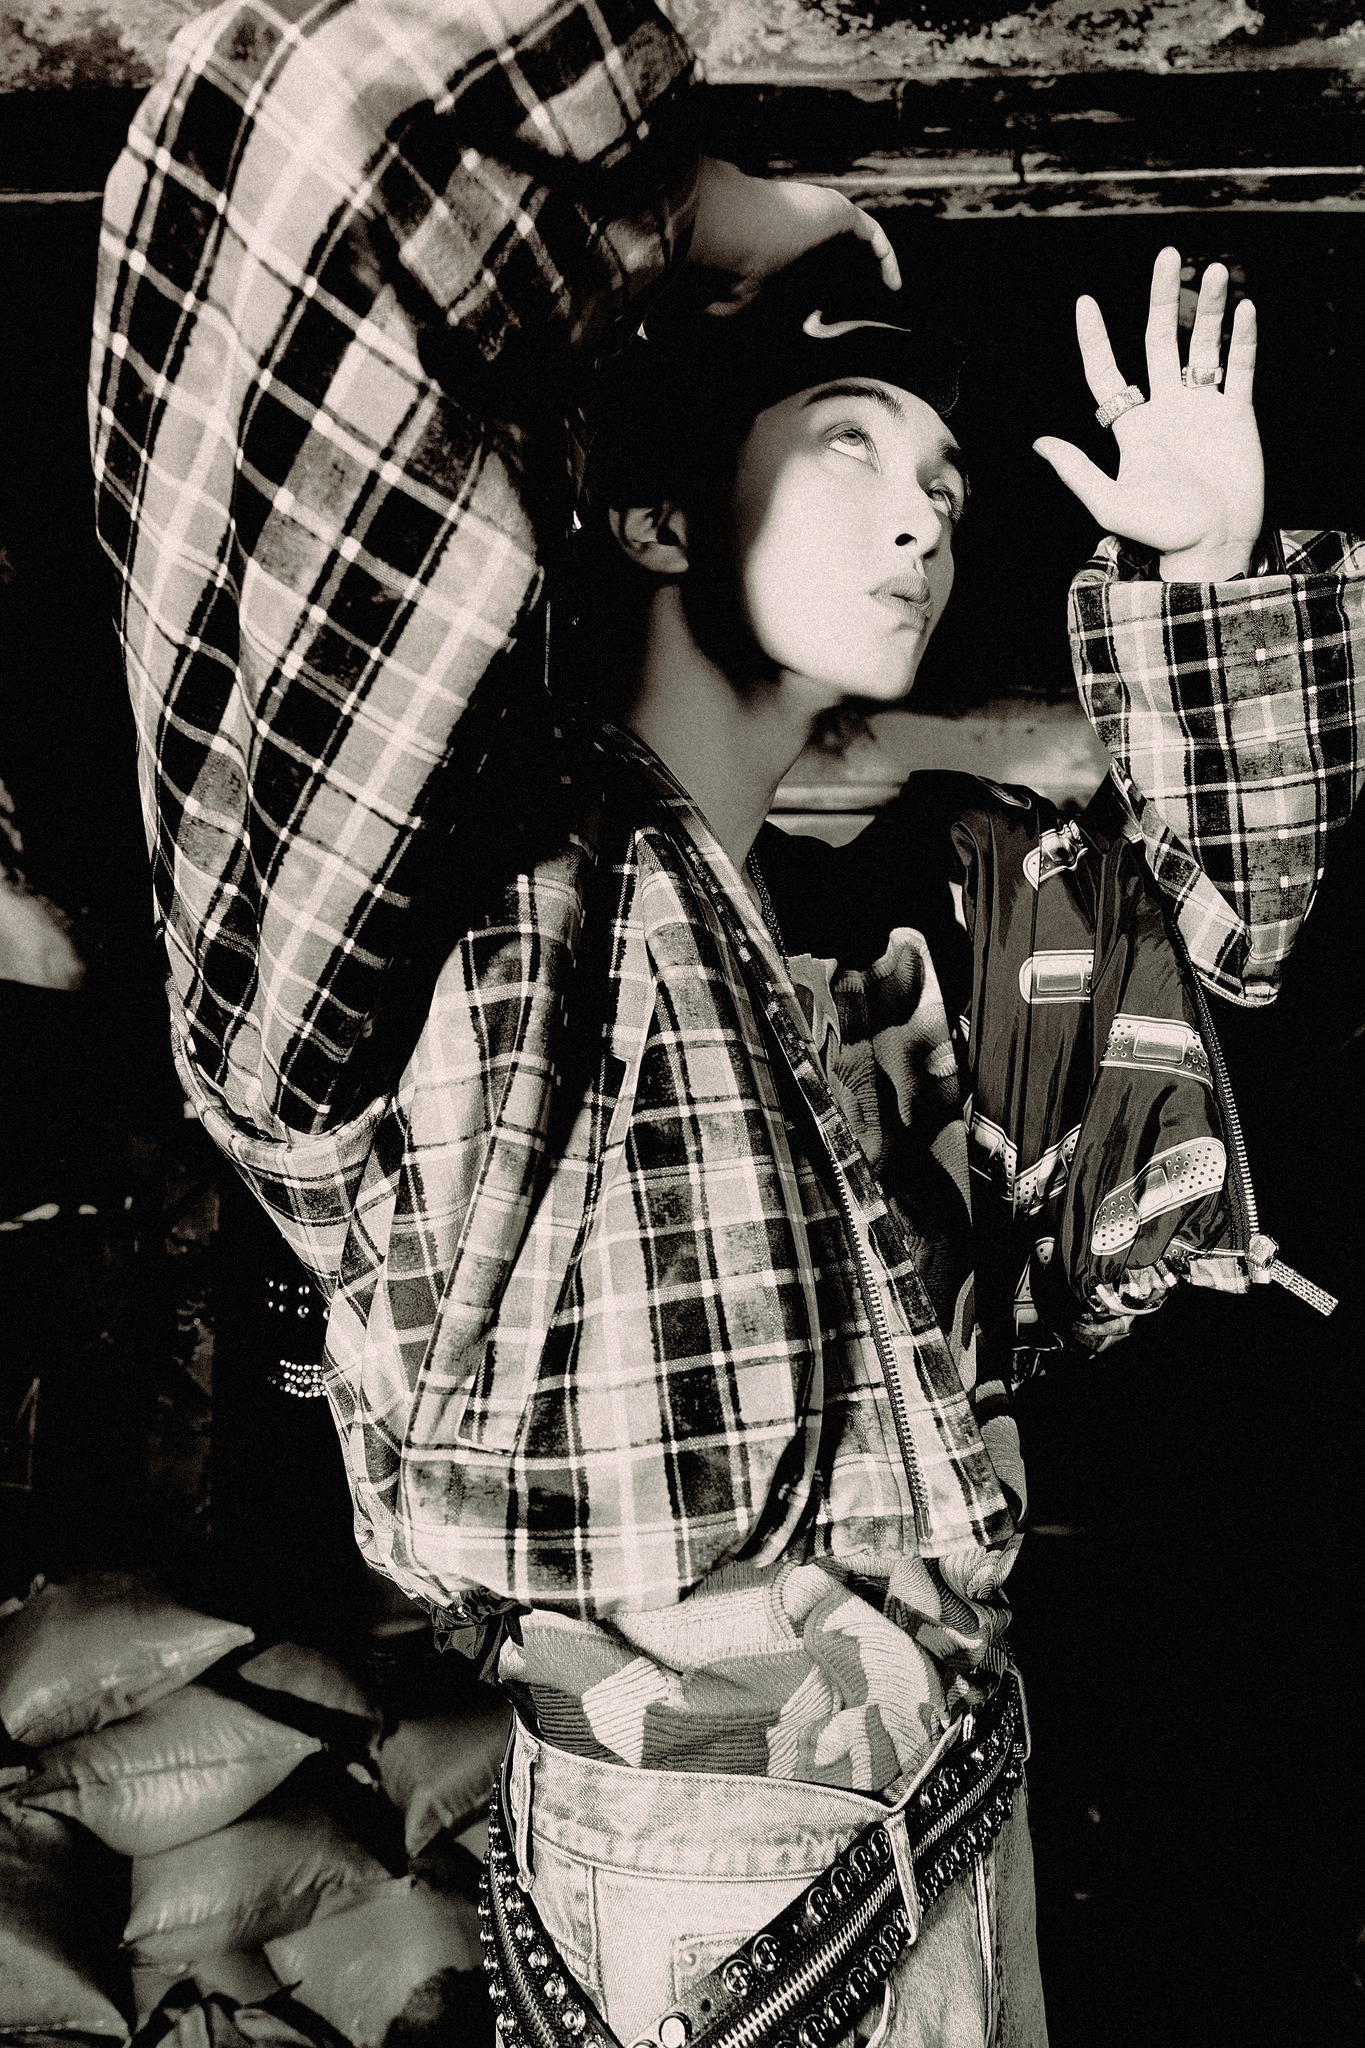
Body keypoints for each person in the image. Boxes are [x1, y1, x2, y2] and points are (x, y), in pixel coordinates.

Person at [88, 1, 1365, 2039]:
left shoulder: (834, 959)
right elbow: (326, 134)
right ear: (655, 511)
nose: (925, 509)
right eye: (847, 441)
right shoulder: (453, 929)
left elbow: (1205, 946)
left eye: (944, 476)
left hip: (955, 1822)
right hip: (725, 1900)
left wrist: (1198, 574)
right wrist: (713, 213)